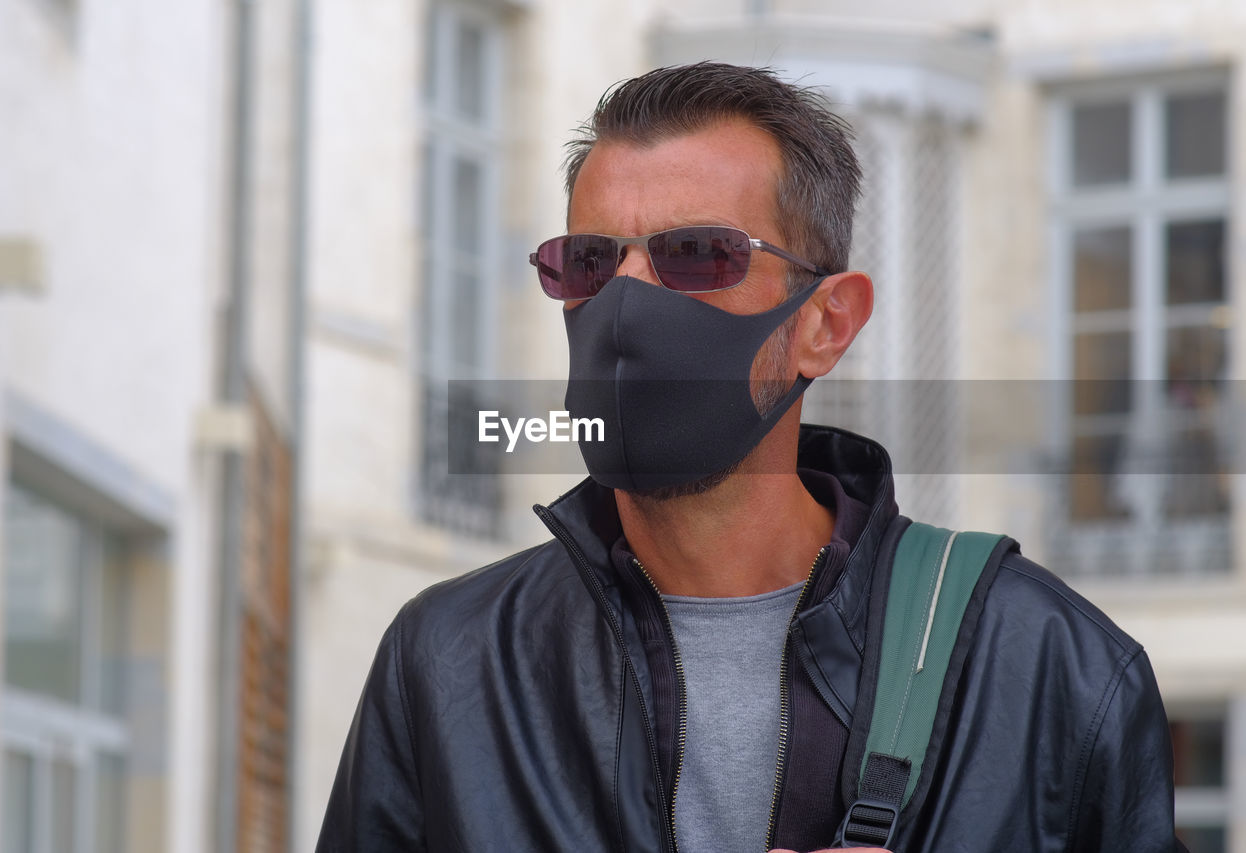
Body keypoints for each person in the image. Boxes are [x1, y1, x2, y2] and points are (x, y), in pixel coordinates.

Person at [318, 63, 1182, 852]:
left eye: (695, 255)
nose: (624, 305)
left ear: (825, 323)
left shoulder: (1053, 670)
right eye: (589, 261)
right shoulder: (449, 662)